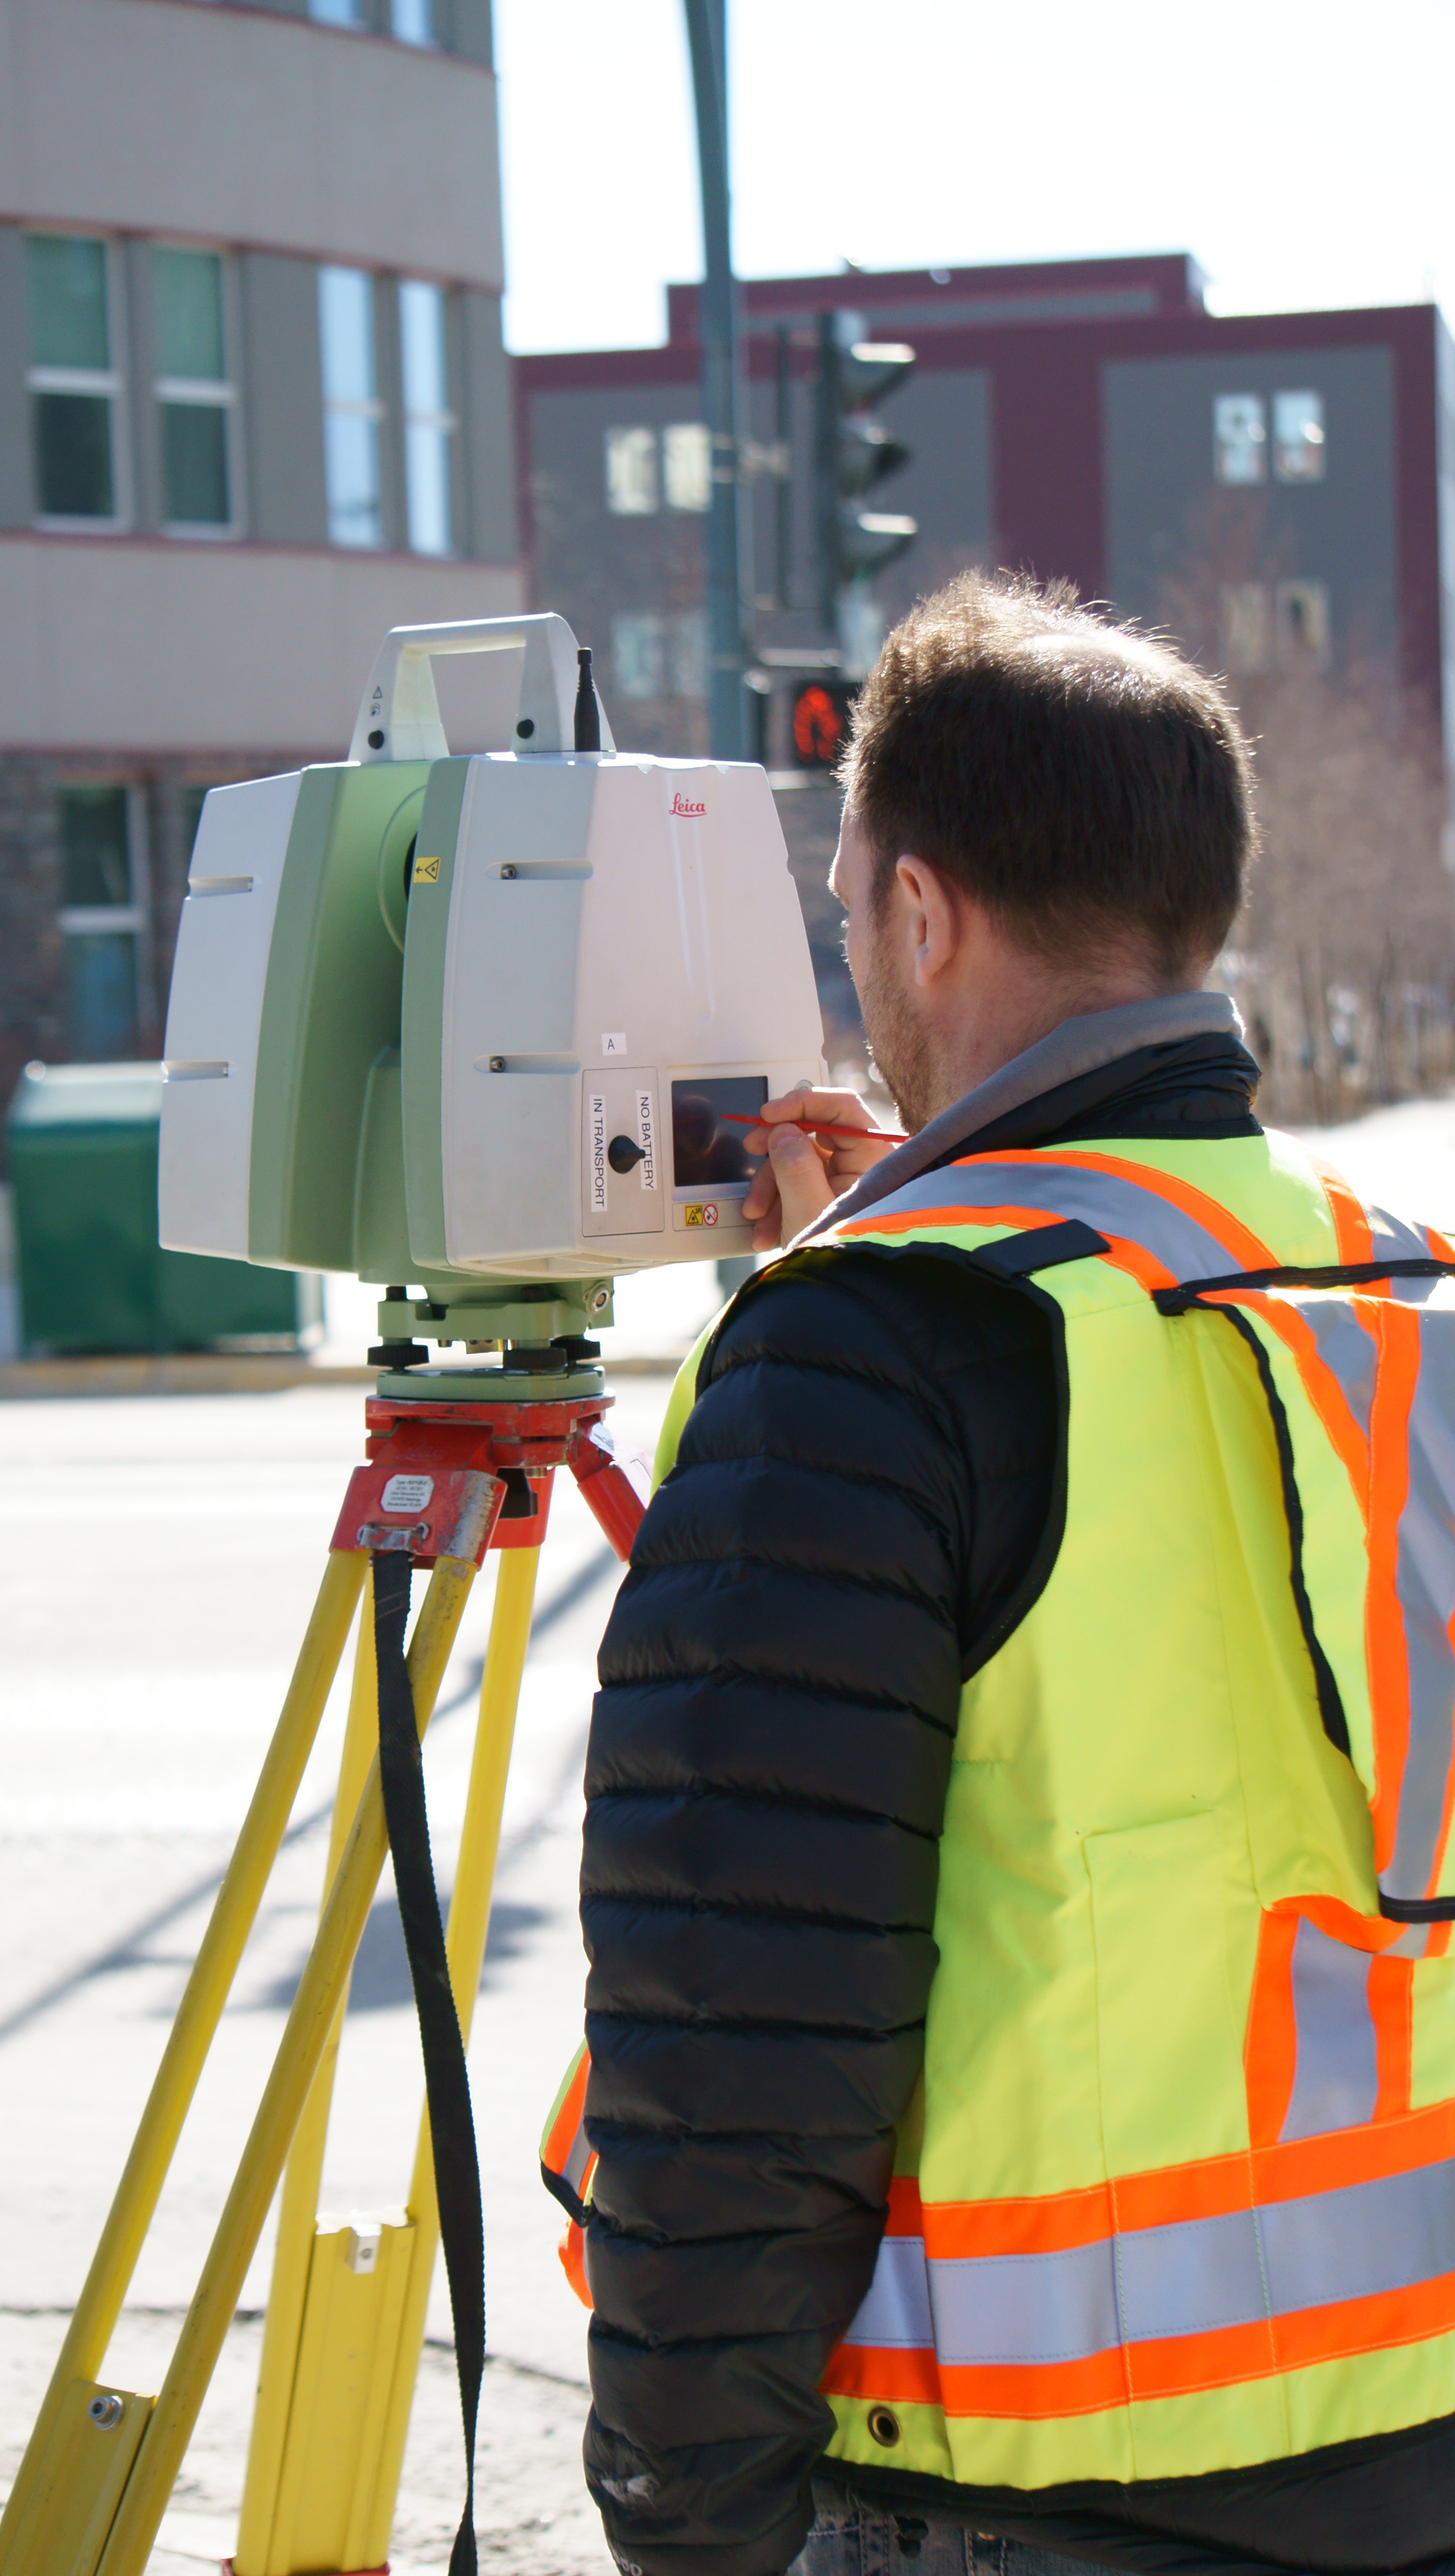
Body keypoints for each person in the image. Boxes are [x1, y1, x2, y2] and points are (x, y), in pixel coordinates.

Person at [564, 573, 1455, 2576]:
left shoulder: (873, 1350)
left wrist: (689, 2533)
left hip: (1043, 2499)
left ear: (922, 913)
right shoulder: (1400, 1283)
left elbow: (737, 2051)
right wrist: (912, 1238)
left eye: (852, 900)